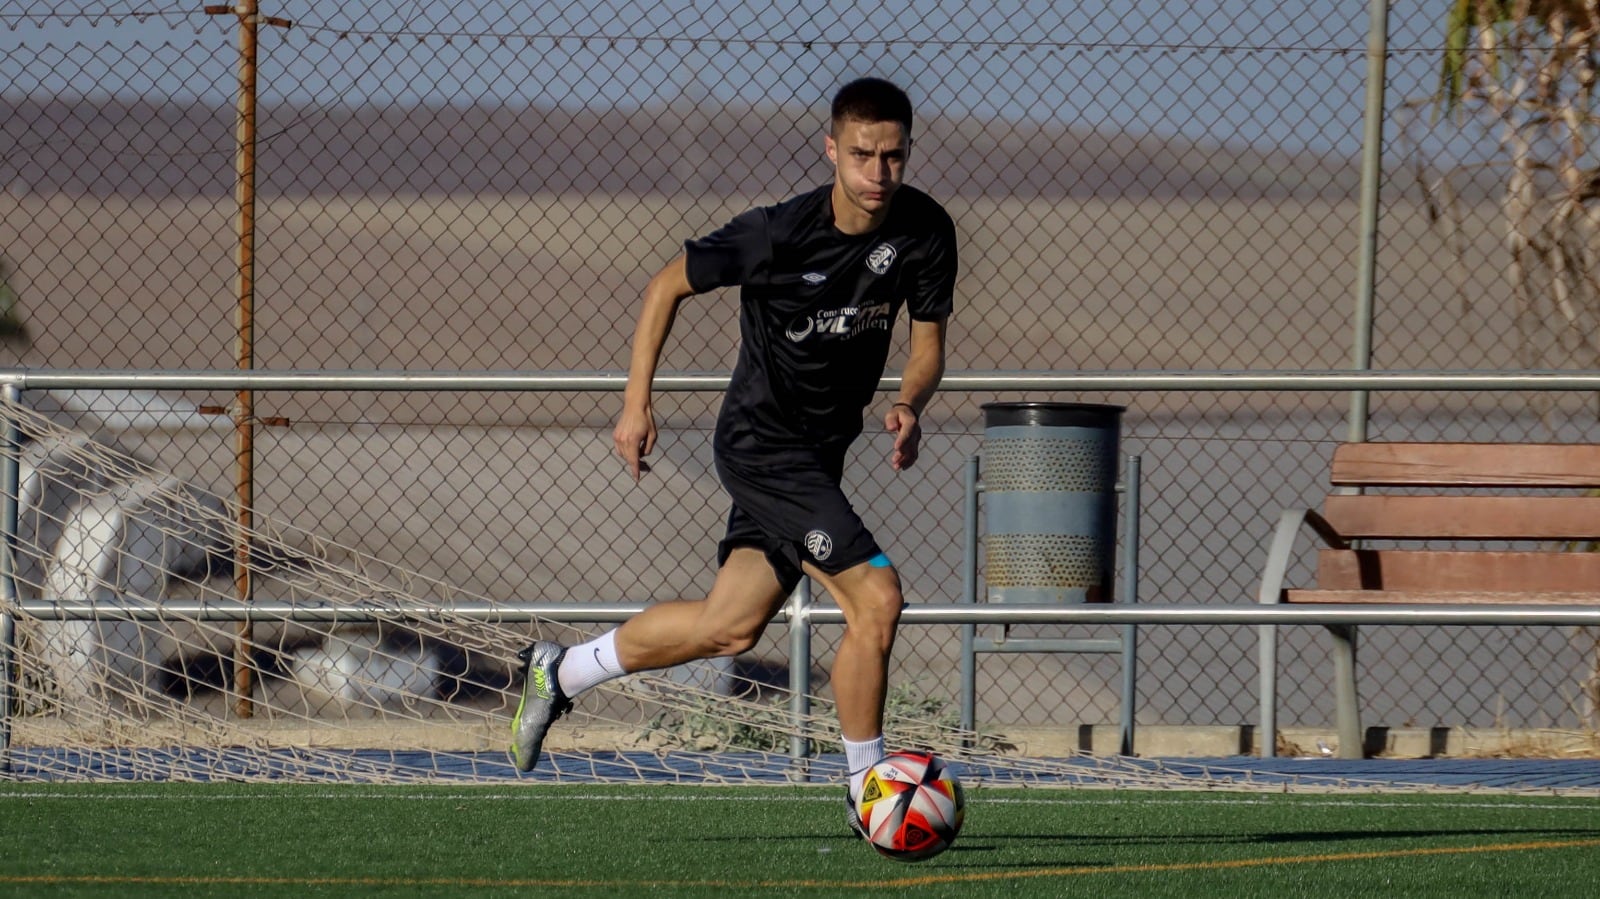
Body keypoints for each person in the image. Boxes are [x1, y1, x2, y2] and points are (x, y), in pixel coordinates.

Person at [510, 77, 957, 837]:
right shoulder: (778, 233)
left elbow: (929, 345)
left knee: (730, 625)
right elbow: (664, 287)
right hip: (760, 446)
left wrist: (911, 402)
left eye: (893, 155)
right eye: (861, 155)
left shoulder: (924, 231)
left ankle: (562, 670)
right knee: (876, 598)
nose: (878, 173)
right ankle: (866, 791)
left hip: (820, 457)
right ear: (831, 149)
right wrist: (635, 401)